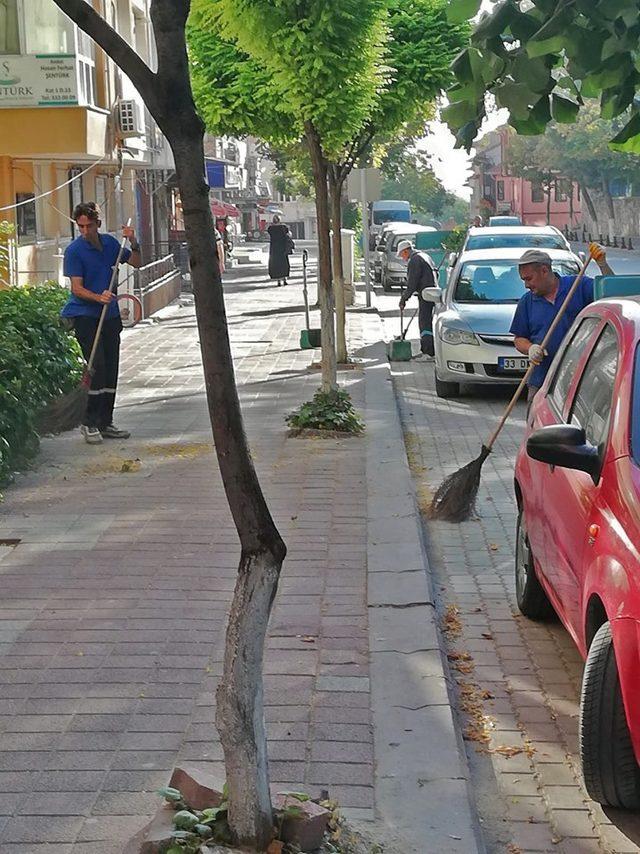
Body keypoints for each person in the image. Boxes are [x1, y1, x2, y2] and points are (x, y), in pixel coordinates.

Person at [61, 202, 142, 445]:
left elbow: (136, 261)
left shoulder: (111, 245)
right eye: (80, 226)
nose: (85, 231)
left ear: (98, 224)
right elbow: (77, 288)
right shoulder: (74, 251)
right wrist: (99, 297)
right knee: (97, 368)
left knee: (112, 369)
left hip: (110, 317)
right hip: (86, 316)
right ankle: (89, 422)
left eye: (89, 226)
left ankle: (106, 422)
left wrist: (134, 241)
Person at [511, 244, 613, 404]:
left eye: (529, 279)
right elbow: (519, 339)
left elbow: (612, 296)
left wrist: (603, 265)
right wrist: (530, 348)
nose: (526, 285)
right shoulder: (527, 302)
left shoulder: (578, 286)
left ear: (544, 270)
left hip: (582, 381)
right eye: (523, 280)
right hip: (542, 380)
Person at [397, 239, 437, 359]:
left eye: (401, 255)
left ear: (405, 251)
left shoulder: (414, 260)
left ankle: (428, 353)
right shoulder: (424, 256)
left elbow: (412, 283)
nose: (402, 258)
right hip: (431, 293)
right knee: (426, 321)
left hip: (426, 294)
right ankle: (428, 350)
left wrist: (403, 299)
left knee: (424, 323)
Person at [267, 214, 292, 286]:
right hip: (283, 248)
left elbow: (268, 232)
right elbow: (288, 234)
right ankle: (284, 279)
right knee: (284, 264)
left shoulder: (271, 228)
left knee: (276, 265)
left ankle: (278, 281)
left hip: (274, 249)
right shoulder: (284, 227)